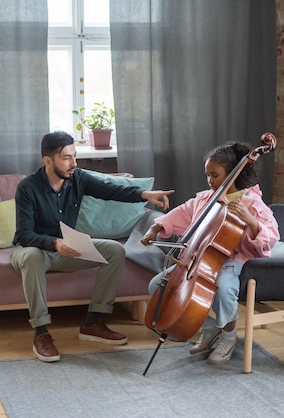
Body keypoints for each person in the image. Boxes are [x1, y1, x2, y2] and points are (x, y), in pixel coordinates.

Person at [11, 131, 174, 362]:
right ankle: (41, 333)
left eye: (75, 156)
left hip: (66, 249)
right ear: (47, 161)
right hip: (33, 249)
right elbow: (24, 234)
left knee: (115, 250)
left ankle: (92, 322)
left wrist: (143, 194)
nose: (74, 163)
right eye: (67, 157)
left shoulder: (77, 178)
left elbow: (110, 189)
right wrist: (55, 243)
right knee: (33, 258)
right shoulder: (28, 187)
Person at [140, 142, 279, 365]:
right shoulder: (206, 199)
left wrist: (250, 221)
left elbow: (271, 236)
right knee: (158, 285)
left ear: (234, 172)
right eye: (207, 175)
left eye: (215, 175)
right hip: (197, 261)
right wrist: (155, 229)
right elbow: (178, 214)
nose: (210, 181)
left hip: (234, 261)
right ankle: (213, 328)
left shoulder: (251, 203)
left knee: (223, 288)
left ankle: (229, 336)